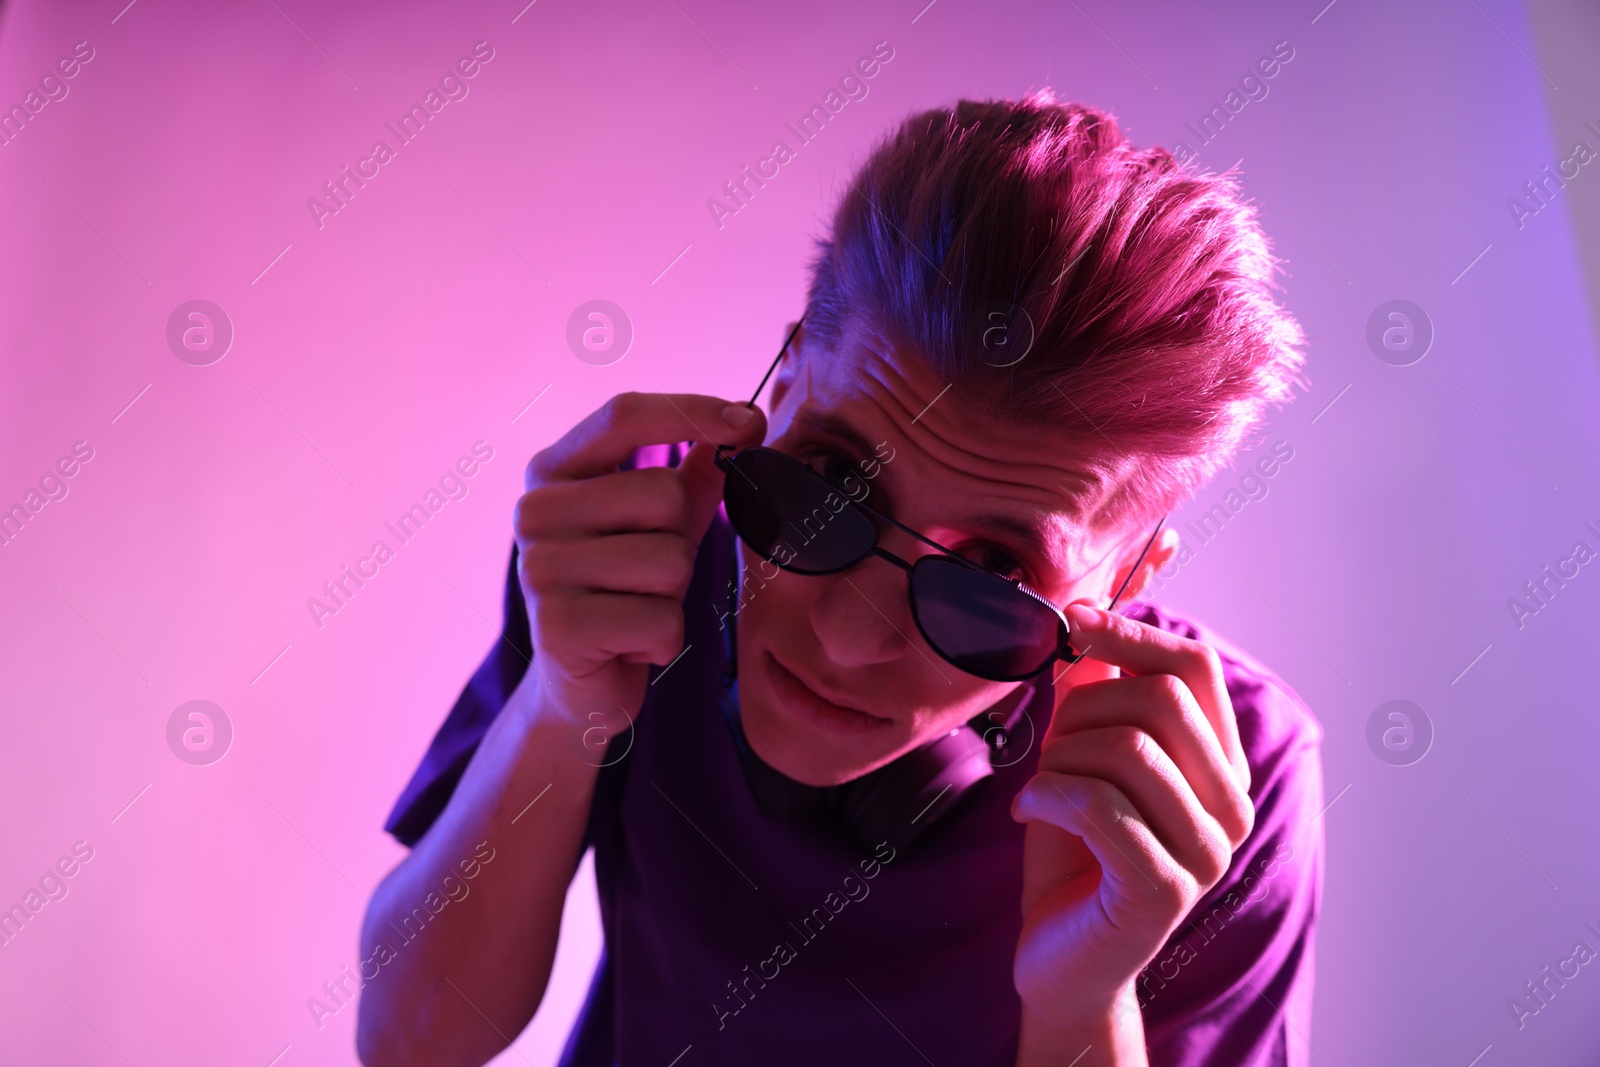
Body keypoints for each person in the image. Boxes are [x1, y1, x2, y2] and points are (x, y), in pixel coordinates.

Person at [356, 92, 1323, 1067]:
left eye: (990, 575)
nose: (850, 636)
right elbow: (409, 1040)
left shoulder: (1218, 776)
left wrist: (1086, 994)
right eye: (824, 485)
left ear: (1121, 586)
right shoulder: (637, 542)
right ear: (774, 393)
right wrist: (559, 711)